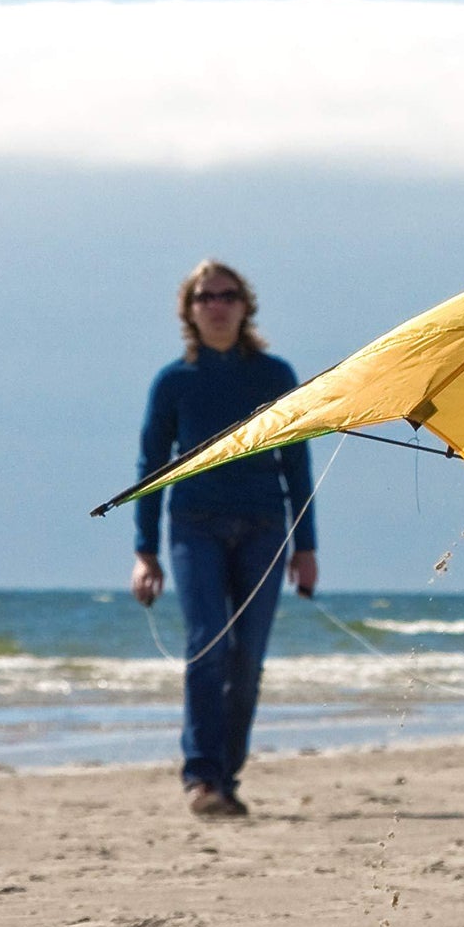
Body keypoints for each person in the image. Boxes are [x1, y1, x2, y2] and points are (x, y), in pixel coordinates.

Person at [131, 260, 318, 818]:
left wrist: (305, 548)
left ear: (245, 305)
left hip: (264, 529)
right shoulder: (173, 381)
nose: (217, 305)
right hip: (194, 528)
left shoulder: (275, 374)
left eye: (228, 295)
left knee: (247, 659)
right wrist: (144, 552)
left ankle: (226, 777)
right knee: (208, 643)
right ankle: (201, 777)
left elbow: (297, 464)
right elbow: (150, 464)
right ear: (189, 310)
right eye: (206, 297)